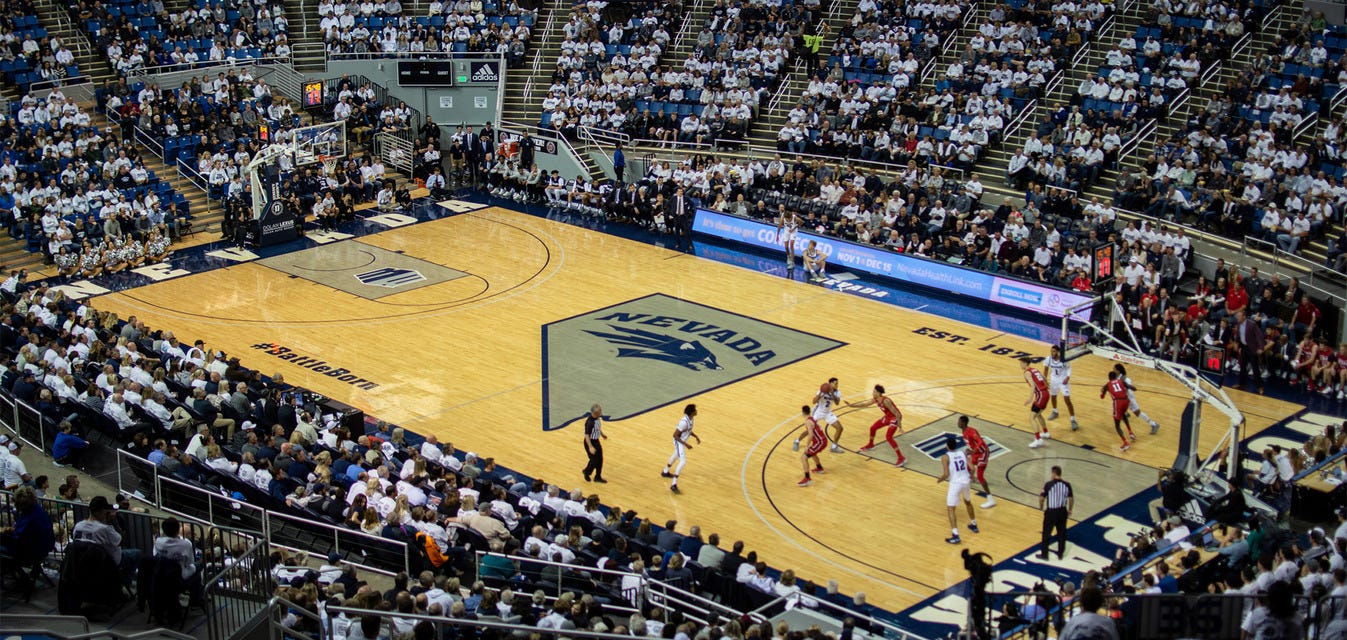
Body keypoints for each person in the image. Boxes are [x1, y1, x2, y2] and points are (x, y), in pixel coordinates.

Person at [72, 495, 141, 584]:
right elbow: (122, 540)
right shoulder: (105, 529)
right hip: (108, 562)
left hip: (84, 562)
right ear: (101, 511)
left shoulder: (78, 526)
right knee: (137, 553)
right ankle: (123, 582)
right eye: (105, 510)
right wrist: (113, 521)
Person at [850, 384, 907, 466]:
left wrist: (900, 426)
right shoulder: (876, 399)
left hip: (895, 418)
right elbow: (864, 404)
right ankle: (871, 444)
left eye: (874, 392)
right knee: (873, 428)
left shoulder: (886, 401)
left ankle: (901, 458)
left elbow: (897, 414)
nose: (872, 393)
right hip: (888, 417)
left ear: (878, 393)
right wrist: (852, 405)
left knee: (888, 437)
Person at [936, 436, 978, 544]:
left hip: (956, 483)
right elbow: (972, 468)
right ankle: (974, 524)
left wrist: (940, 480)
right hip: (966, 481)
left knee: (951, 509)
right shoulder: (962, 453)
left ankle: (955, 535)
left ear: (947, 446)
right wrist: (972, 476)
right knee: (968, 502)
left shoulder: (945, 457)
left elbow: (946, 474)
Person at [153, 517, 203, 603]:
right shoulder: (186, 543)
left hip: (160, 575)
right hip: (179, 579)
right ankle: (195, 602)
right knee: (198, 569)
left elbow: (155, 555)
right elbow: (190, 562)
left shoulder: (158, 541)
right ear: (177, 530)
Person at [660, 404, 700, 494]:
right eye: (695, 410)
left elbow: (688, 430)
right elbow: (675, 435)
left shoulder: (691, 419)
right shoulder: (684, 422)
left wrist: (696, 436)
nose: (696, 411)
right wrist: (686, 444)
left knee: (675, 455)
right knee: (683, 462)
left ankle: (665, 471)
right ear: (692, 412)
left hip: (682, 441)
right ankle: (674, 484)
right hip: (678, 441)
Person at [1112, 364, 1161, 434]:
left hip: (1129, 398)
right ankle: (1125, 413)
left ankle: (1154, 424)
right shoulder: (1117, 378)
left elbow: (1126, 389)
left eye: (1114, 369)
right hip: (1124, 398)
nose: (1113, 370)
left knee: (1138, 413)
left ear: (1118, 371)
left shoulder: (1126, 379)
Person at [1038, 465, 1073, 559]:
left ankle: (1044, 554)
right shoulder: (1067, 484)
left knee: (1046, 533)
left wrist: (1041, 507)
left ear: (1054, 473)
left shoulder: (1048, 484)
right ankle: (1060, 554)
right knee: (1061, 533)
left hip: (1051, 512)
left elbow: (1041, 498)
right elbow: (1071, 499)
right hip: (1062, 511)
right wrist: (1070, 509)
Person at [959, 415, 995, 508]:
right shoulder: (964, 431)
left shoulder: (972, 431)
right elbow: (972, 443)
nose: (958, 423)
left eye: (959, 421)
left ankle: (990, 499)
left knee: (980, 476)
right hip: (976, 453)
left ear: (963, 423)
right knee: (967, 466)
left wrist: (973, 450)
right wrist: (970, 450)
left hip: (983, 453)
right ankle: (971, 478)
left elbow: (980, 442)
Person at [1044, 345, 1080, 431]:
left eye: (1054, 351)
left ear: (1058, 352)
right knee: (1053, 397)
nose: (1052, 353)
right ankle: (1055, 411)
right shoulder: (1048, 359)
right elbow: (1045, 370)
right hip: (1054, 381)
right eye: (1051, 351)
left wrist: (1068, 377)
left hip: (1063, 381)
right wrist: (1045, 381)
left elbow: (1069, 368)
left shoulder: (1063, 360)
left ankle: (1073, 420)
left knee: (1067, 400)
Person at [1101, 371, 1137, 451]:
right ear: (1116, 377)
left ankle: (1125, 443)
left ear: (1109, 377)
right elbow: (1132, 387)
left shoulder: (1107, 385)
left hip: (1118, 402)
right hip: (1126, 401)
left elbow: (1102, 396)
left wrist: (1102, 393)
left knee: (1117, 425)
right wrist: (1133, 388)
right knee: (1123, 414)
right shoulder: (1121, 381)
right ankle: (1130, 432)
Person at [1022, 358, 1051, 448]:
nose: (1020, 365)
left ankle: (1038, 439)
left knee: (1032, 418)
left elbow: (1033, 386)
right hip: (1046, 393)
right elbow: (1044, 377)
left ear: (1025, 363)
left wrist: (1030, 398)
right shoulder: (1034, 369)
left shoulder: (1027, 372)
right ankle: (1046, 433)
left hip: (1040, 395)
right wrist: (1047, 384)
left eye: (1021, 363)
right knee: (1038, 414)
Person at [795, 406, 827, 487]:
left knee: (803, 457)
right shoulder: (812, 418)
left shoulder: (808, 422)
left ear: (803, 412)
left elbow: (811, 434)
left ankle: (807, 479)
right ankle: (819, 468)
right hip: (821, 440)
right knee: (812, 453)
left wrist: (806, 446)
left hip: (820, 442)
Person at [581, 403, 607, 483]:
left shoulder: (597, 419)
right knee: (594, 460)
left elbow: (597, 428)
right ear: (595, 413)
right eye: (600, 412)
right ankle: (587, 472)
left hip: (596, 441)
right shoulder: (590, 422)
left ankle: (598, 477)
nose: (601, 413)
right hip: (590, 442)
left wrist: (602, 434)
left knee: (600, 459)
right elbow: (587, 435)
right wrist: (590, 446)